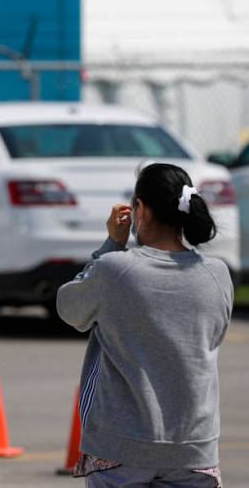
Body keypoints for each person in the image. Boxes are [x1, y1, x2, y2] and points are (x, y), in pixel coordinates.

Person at [57, 163, 233, 488]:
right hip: (194, 449)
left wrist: (112, 243)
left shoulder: (115, 269)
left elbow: (69, 308)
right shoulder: (218, 274)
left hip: (120, 447)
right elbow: (214, 335)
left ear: (140, 209)